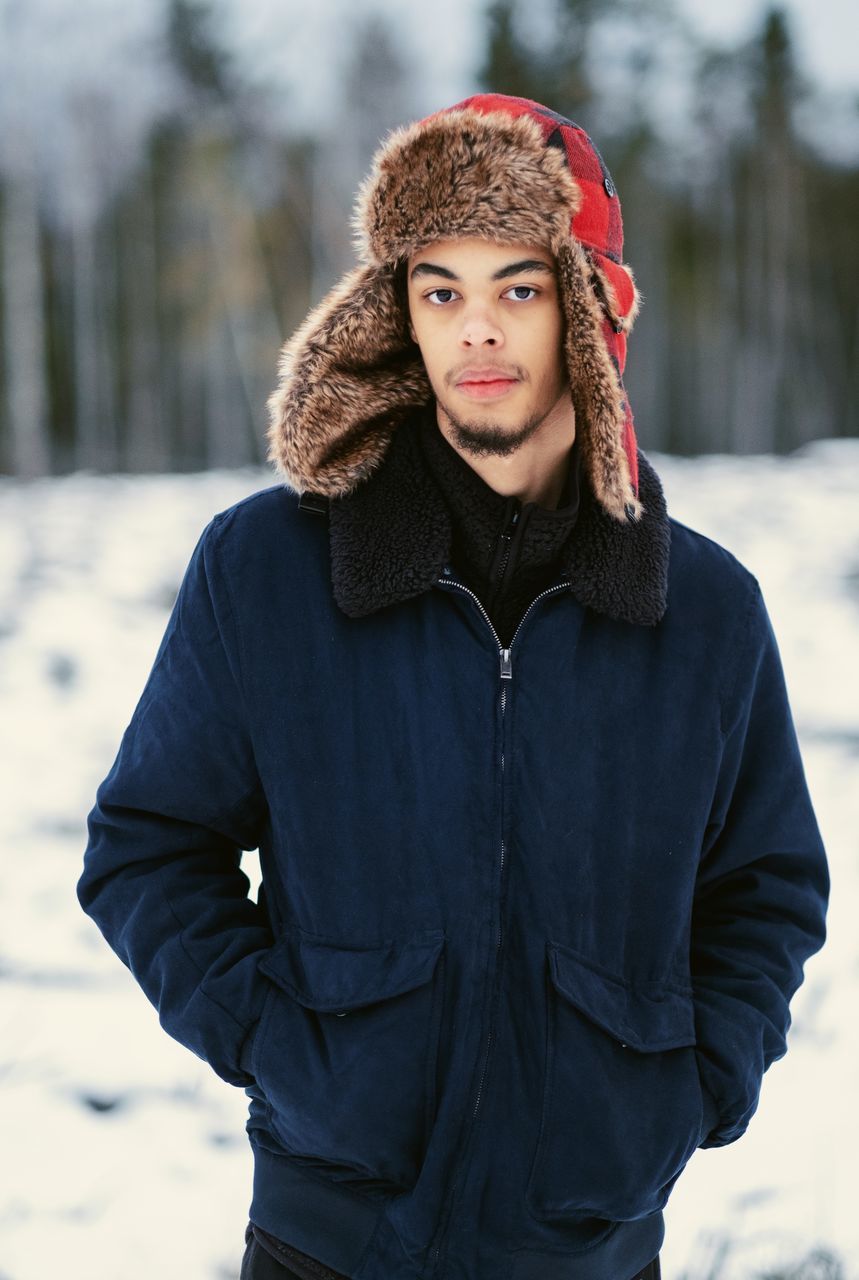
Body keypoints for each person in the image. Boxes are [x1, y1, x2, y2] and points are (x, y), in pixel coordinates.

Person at [77, 93, 829, 1280]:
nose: (476, 331)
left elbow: (767, 885)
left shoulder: (706, 611)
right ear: (399, 315)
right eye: (442, 291)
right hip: (327, 1241)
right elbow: (145, 843)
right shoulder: (268, 570)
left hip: (592, 1247)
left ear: (590, 312)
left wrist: (685, 1090)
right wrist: (282, 1045)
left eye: (517, 289)